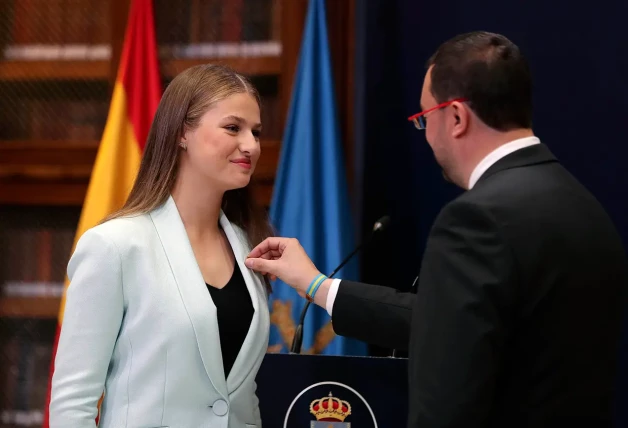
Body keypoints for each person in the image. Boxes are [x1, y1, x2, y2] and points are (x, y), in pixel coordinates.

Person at [245, 31, 628, 427]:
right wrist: (317, 286)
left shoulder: (476, 220)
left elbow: (445, 401)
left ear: (457, 117)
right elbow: (450, 323)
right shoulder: (586, 208)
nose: (426, 134)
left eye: (424, 118)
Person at [49, 64, 272, 428]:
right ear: (183, 132)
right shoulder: (115, 246)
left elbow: (241, 396)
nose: (251, 145)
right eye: (233, 128)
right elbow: (73, 402)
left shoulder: (249, 246)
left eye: (256, 132)